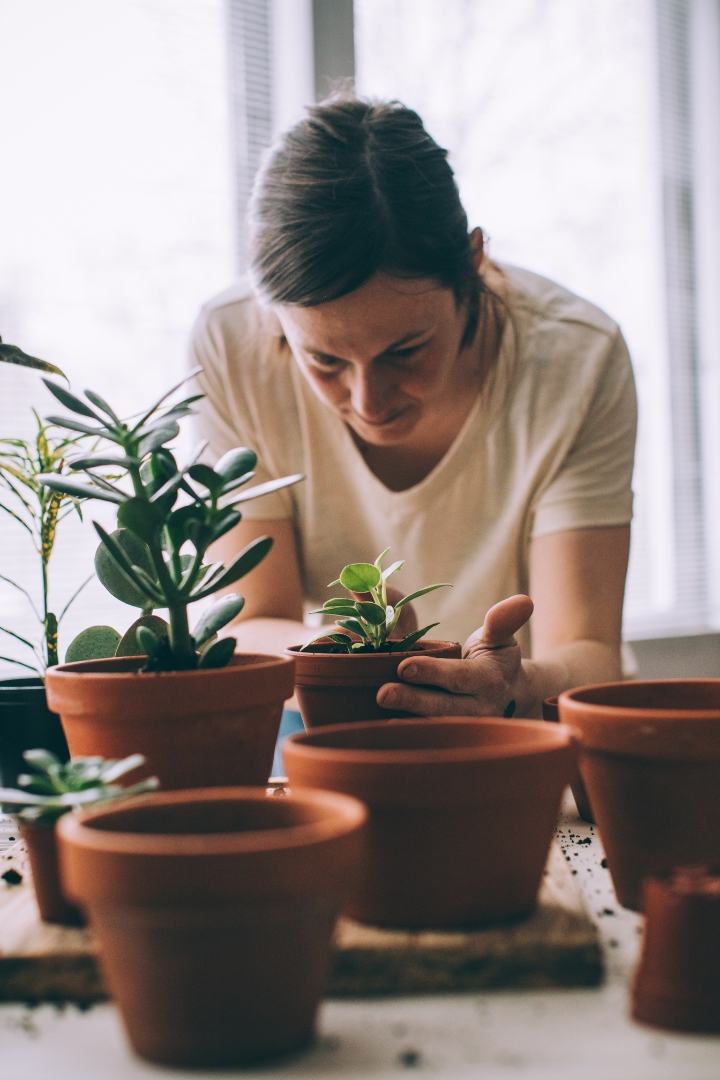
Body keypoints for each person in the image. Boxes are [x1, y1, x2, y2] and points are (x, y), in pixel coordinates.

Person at [190, 96, 636, 720]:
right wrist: (349, 651)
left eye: (405, 350)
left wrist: (507, 684)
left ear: (473, 267)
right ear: (273, 317)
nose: (367, 401)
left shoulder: (576, 358)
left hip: (518, 727)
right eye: (324, 361)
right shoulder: (228, 343)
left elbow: (586, 651)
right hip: (322, 717)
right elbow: (255, 617)